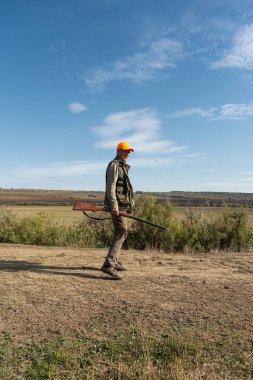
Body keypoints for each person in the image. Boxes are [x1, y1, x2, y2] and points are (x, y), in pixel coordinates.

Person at [101, 142, 135, 280]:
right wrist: (114, 206)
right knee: (122, 231)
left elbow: (126, 189)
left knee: (120, 232)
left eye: (129, 152)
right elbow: (111, 187)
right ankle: (109, 265)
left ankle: (114, 260)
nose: (128, 154)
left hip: (122, 205)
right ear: (118, 151)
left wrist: (129, 205)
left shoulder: (123, 166)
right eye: (125, 151)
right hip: (117, 205)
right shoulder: (114, 165)